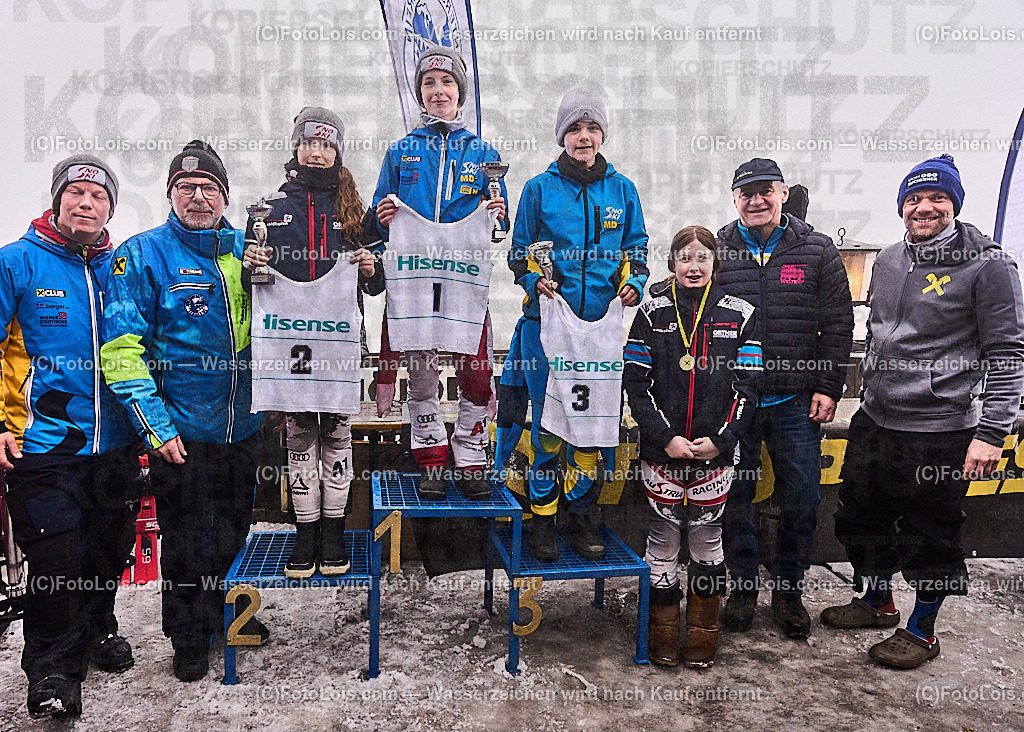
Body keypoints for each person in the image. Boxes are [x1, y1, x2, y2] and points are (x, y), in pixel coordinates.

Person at [821, 154, 1024, 668]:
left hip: (941, 428)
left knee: (930, 534)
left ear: (954, 203)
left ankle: (922, 630)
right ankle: (877, 600)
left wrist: (992, 432)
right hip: (877, 418)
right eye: (914, 198)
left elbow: (1008, 354)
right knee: (861, 518)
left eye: (937, 198)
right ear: (901, 206)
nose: (924, 207)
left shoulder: (989, 265)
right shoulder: (888, 258)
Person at [100, 141, 265, 682]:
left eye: (209, 188)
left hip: (244, 426)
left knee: (235, 531)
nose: (198, 197)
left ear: (224, 195)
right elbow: (122, 352)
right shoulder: (141, 254)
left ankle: (223, 616)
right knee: (189, 538)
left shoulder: (244, 250)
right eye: (186, 187)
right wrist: (156, 426)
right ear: (170, 193)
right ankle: (188, 637)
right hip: (182, 431)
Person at [0, 154, 139, 718]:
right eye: (76, 194)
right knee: (57, 557)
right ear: (57, 201)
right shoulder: (16, 262)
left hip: (114, 446)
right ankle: (53, 669)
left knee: (109, 548)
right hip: (42, 444)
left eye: (98, 196)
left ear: (110, 207)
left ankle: (99, 628)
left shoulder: (119, 266)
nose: (87, 203)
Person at [506, 87, 649, 562]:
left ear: (602, 134)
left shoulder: (622, 190)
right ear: (562, 135)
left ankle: (581, 515)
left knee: (590, 427)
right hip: (546, 328)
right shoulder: (538, 189)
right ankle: (542, 520)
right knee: (548, 426)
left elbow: (637, 249)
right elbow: (518, 252)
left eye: (591, 128)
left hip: (600, 333)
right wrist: (533, 281)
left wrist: (637, 283)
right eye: (574, 128)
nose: (583, 137)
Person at [243, 107, 383, 578]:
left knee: (337, 436)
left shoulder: (354, 210)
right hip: (289, 345)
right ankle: (304, 532)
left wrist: (370, 269)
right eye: (309, 143)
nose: (317, 151)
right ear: (296, 148)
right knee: (299, 438)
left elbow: (378, 283)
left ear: (337, 150)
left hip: (338, 342)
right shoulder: (270, 209)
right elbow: (251, 282)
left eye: (326, 144)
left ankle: (333, 531)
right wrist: (251, 263)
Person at [717, 158, 854, 639]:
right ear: (734, 198)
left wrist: (828, 386)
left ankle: (790, 590)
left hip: (796, 402)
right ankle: (743, 587)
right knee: (735, 498)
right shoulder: (718, 249)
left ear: (782, 193)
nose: (755, 200)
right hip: (737, 404)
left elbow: (839, 324)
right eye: (745, 192)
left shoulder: (816, 250)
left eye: (764, 191)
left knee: (803, 497)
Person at [370, 46, 507, 500]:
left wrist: (497, 215)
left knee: (476, 371)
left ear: (459, 91)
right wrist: (384, 213)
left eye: (446, 83)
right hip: (414, 280)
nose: (438, 91)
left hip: (463, 280)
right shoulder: (401, 151)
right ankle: (430, 457)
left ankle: (470, 456)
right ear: (420, 94)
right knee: (422, 370)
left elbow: (500, 230)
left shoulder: (484, 153)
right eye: (429, 84)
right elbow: (376, 218)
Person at [624, 226, 760, 667]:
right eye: (685, 257)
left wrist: (722, 440)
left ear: (715, 263)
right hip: (662, 450)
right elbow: (636, 385)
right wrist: (665, 438)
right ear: (672, 263)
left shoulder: (741, 313)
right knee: (662, 536)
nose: (694, 266)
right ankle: (661, 629)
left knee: (707, 537)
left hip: (715, 452)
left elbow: (748, 386)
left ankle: (704, 629)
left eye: (703, 258)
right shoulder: (650, 311)